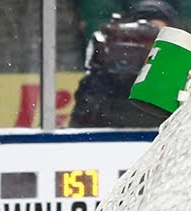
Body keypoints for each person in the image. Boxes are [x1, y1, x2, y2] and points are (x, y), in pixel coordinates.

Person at [70, 0, 179, 129]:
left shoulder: (177, 75)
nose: (151, 44)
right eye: (142, 35)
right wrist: (103, 69)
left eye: (157, 35)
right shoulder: (108, 74)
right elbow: (84, 126)